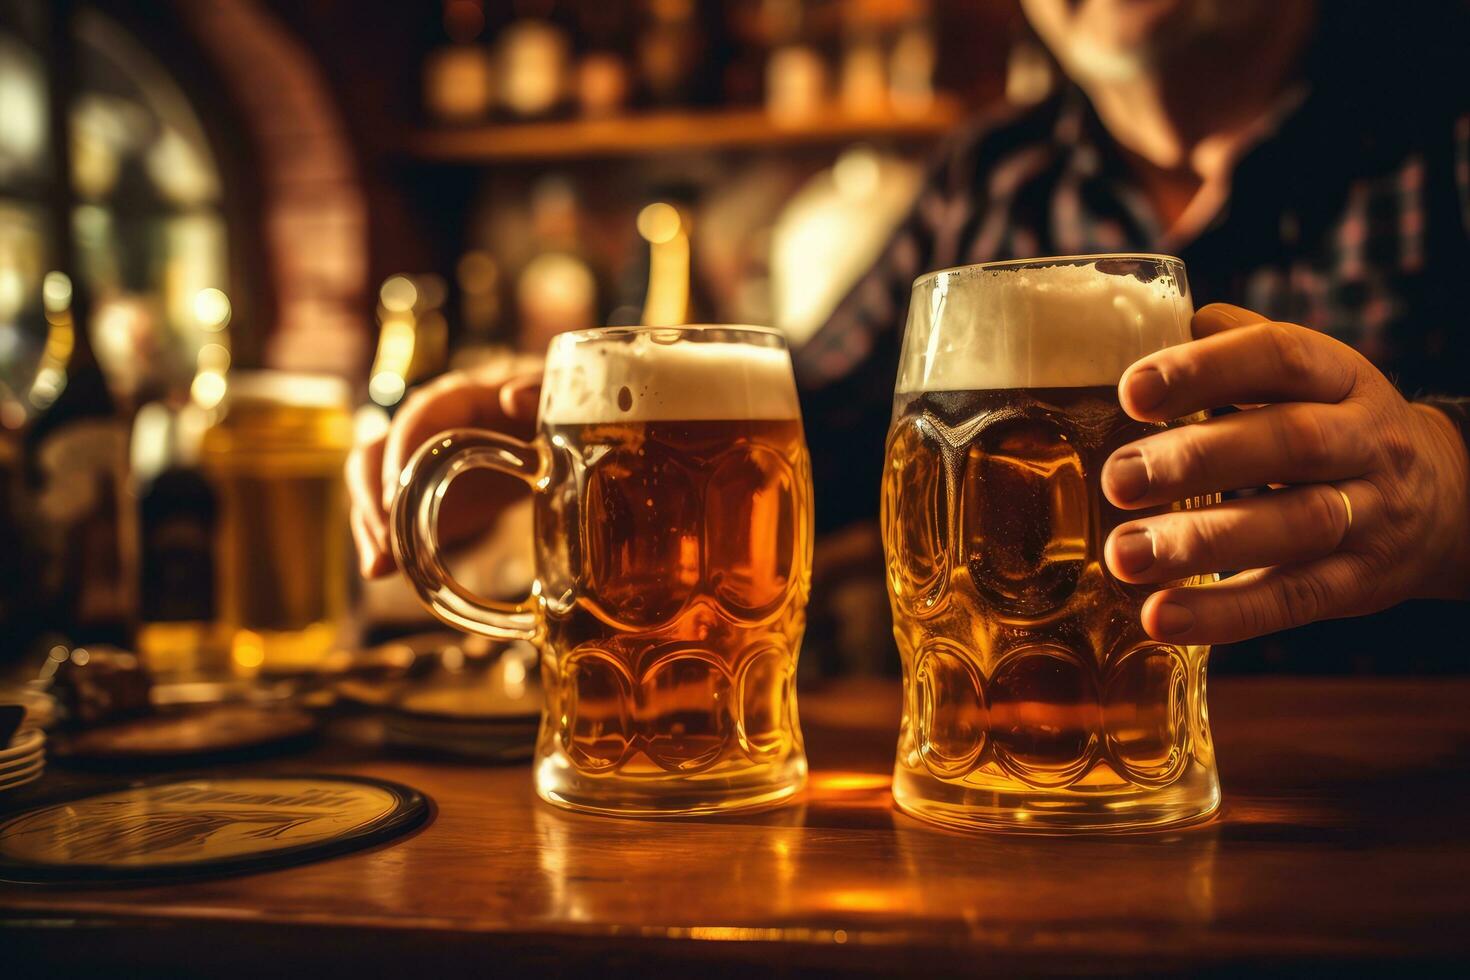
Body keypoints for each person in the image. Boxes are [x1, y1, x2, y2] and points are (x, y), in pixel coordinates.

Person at [349, 0, 1470, 672]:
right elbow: (813, 429)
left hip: (1408, 824)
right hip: (1009, 825)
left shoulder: (1441, 111)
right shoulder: (988, 177)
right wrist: (545, 424)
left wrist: (1450, 484)